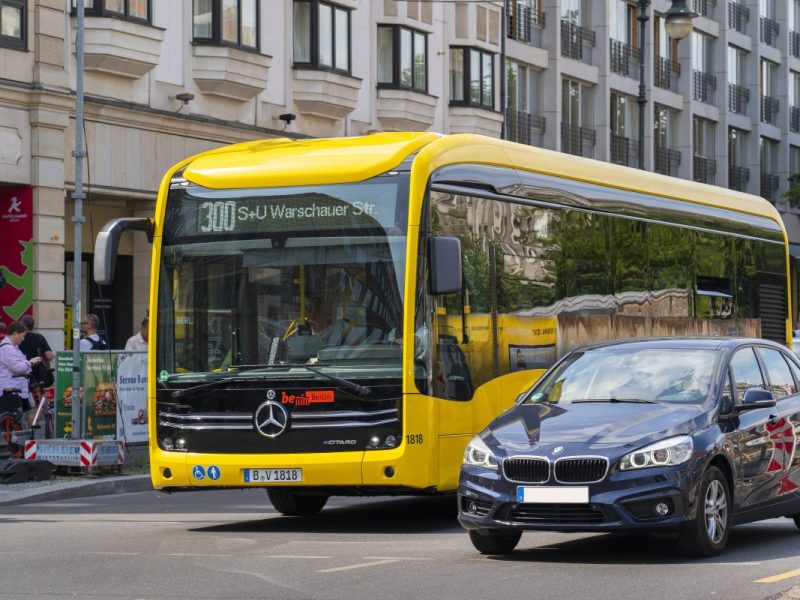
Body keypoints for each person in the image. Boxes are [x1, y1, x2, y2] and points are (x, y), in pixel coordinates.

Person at [0, 321, 44, 415]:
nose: (23, 339)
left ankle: (28, 429)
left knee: (29, 412)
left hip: (17, 389)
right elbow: (17, 367)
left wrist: (29, 363)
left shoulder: (14, 347)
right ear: (16, 333)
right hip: (11, 390)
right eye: (22, 335)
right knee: (17, 416)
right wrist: (30, 362)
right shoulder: (8, 348)